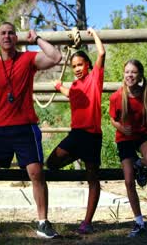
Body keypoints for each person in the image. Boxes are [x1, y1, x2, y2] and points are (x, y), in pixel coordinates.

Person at [0, 22, 62, 238]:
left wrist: (37, 39)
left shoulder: (28, 59)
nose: (7, 36)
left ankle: (43, 222)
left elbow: (55, 57)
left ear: (17, 38)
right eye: (3, 33)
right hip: (0, 128)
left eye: (11, 33)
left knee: (36, 173)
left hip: (26, 127)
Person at [46, 28, 106, 235]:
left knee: (92, 178)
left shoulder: (95, 78)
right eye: (74, 66)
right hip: (76, 135)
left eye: (80, 65)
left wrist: (94, 34)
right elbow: (72, 94)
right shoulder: (75, 85)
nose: (77, 69)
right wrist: (58, 87)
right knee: (51, 163)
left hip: (92, 136)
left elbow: (102, 54)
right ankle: (77, 155)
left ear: (87, 65)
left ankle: (87, 221)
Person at [109, 59, 147, 237]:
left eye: (133, 72)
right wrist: (120, 127)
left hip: (142, 136)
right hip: (124, 139)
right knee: (128, 180)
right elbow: (113, 119)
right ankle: (139, 221)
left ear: (139, 75)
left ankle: (138, 165)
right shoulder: (116, 97)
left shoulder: (146, 93)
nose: (129, 75)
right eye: (127, 72)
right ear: (123, 74)